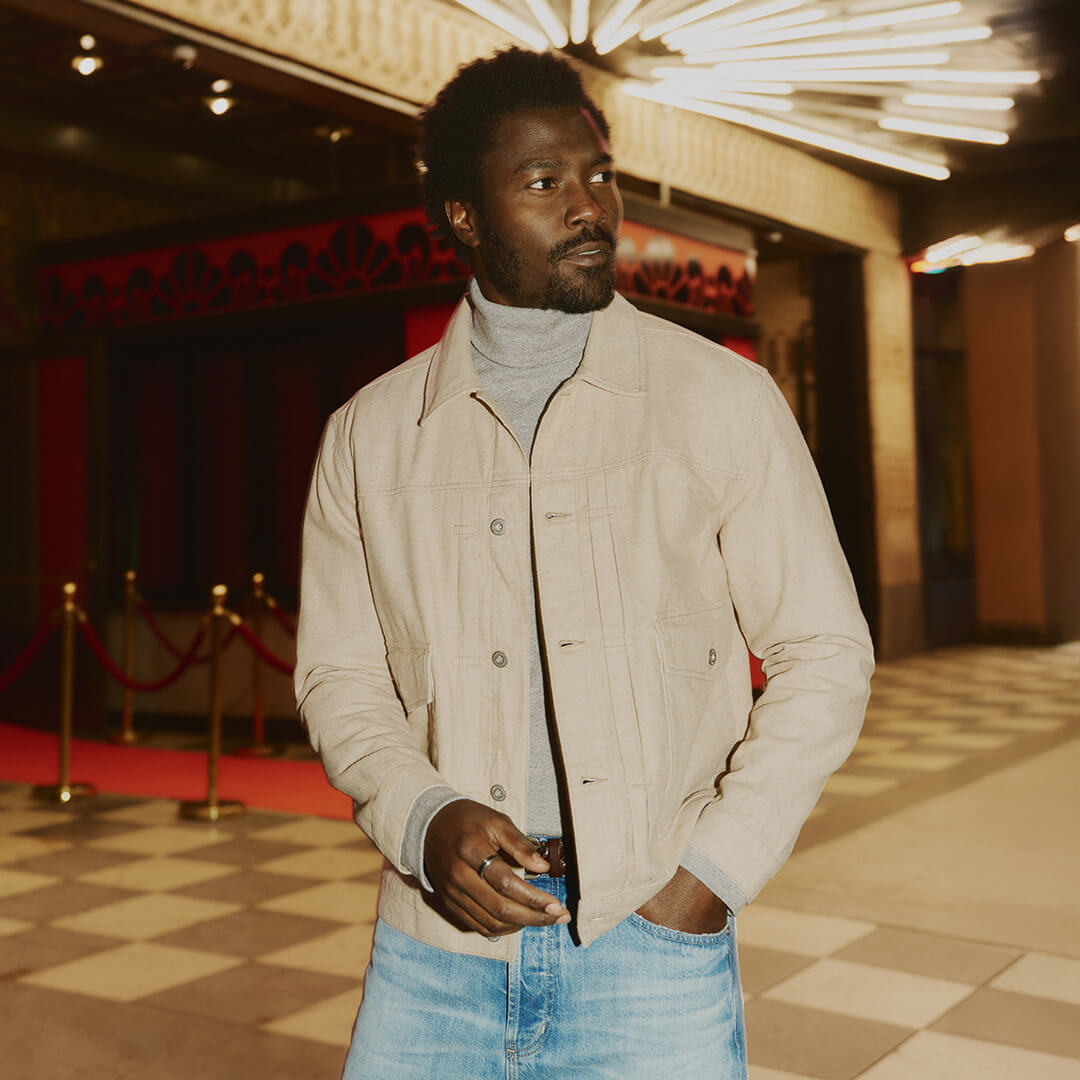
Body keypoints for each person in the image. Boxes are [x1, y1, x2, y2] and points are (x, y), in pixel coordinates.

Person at [295, 46, 874, 1079]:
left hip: (650, 952)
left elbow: (825, 652)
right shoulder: (369, 435)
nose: (589, 208)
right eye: (543, 182)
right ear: (465, 217)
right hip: (434, 963)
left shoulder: (719, 400)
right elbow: (340, 678)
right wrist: (422, 819)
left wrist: (707, 878)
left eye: (598, 174)